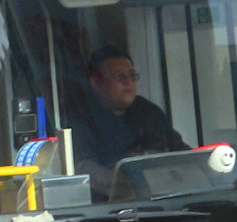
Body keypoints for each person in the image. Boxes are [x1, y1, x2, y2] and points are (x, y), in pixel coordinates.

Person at [72, 47, 189, 194]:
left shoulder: (150, 112)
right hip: (113, 204)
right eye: (120, 77)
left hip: (165, 198)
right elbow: (84, 170)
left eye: (133, 76)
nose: (128, 82)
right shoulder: (81, 118)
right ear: (96, 82)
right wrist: (129, 183)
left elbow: (182, 153)